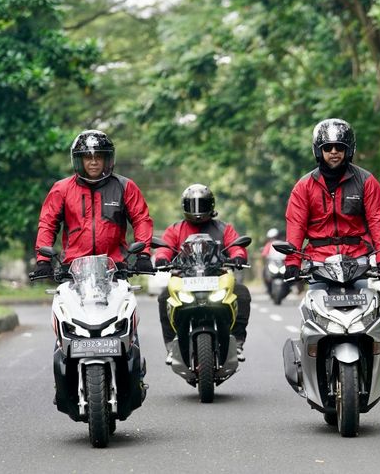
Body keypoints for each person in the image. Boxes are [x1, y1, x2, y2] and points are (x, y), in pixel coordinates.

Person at [284, 118, 380, 285]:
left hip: (358, 260)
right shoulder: (304, 186)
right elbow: (296, 224)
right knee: (313, 299)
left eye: (340, 147)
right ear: (318, 150)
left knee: (371, 299)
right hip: (318, 261)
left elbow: (377, 220)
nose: (334, 152)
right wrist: (293, 262)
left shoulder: (366, 181)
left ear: (348, 149)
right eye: (328, 147)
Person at [33, 129, 154, 275]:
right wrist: (43, 260)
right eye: (87, 157)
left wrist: (143, 255)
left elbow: (141, 220)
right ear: (79, 160)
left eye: (99, 157)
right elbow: (47, 223)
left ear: (107, 159)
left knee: (130, 292)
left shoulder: (125, 186)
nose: (94, 162)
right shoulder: (61, 188)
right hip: (72, 272)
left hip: (115, 271)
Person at [154, 183, 251, 363]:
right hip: (184, 279)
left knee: (242, 293)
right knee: (164, 298)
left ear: (211, 205)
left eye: (202, 204)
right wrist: (161, 258)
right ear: (184, 206)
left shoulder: (224, 228)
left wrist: (238, 256)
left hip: (218, 277)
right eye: (192, 205)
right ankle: (171, 345)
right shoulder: (175, 229)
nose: (197, 211)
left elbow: (236, 245)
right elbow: (165, 248)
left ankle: (237, 342)